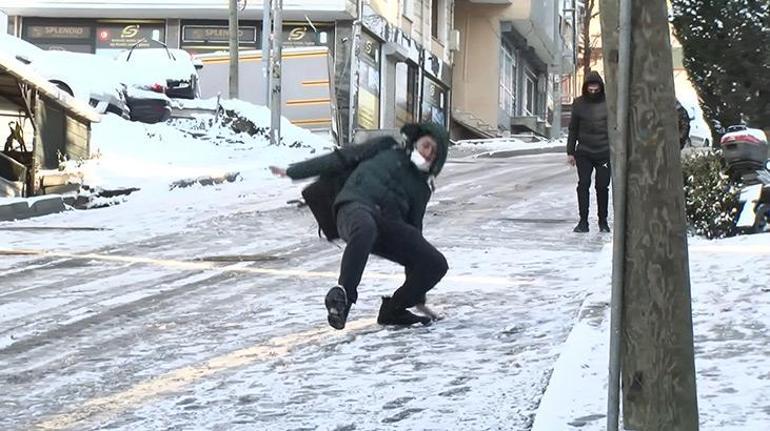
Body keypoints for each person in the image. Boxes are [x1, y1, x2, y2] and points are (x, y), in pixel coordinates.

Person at [269, 123, 450, 330]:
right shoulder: (385, 147)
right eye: (426, 145)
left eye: (434, 153)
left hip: (388, 227)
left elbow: (414, 232)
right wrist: (294, 171)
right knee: (365, 227)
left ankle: (394, 310)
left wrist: (416, 293)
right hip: (353, 207)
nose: (428, 153)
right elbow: (342, 157)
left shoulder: (421, 187)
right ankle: (342, 299)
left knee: (436, 263)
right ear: (417, 140)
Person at [567, 71, 611, 234]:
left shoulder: (609, 102)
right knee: (583, 184)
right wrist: (570, 152)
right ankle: (583, 221)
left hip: (604, 151)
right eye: (590, 89)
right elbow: (573, 128)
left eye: (596, 89)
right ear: (586, 88)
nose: (593, 92)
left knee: (602, 186)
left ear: (601, 87)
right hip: (584, 151)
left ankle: (603, 221)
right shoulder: (578, 103)